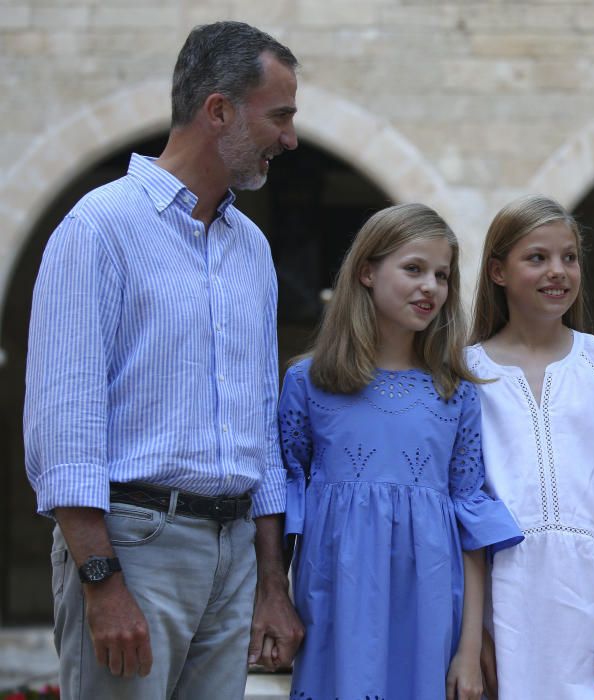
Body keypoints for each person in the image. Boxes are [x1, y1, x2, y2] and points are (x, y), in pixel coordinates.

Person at [23, 21, 304, 700]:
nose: (290, 138)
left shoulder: (252, 250)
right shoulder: (99, 228)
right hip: (133, 549)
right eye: (280, 116)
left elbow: (262, 431)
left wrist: (272, 584)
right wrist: (101, 581)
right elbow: (65, 427)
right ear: (218, 111)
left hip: (233, 555)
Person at [279, 203, 523, 700]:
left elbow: (470, 523)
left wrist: (469, 649)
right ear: (367, 271)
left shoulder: (455, 394)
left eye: (442, 275)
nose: (430, 286)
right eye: (413, 269)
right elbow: (284, 503)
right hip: (334, 607)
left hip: (431, 608)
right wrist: (272, 603)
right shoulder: (308, 384)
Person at [466, 194, 594, 699]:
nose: (558, 271)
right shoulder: (464, 373)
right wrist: (472, 635)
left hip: (591, 596)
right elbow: (460, 508)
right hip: (503, 594)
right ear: (498, 271)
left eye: (569, 258)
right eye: (537, 258)